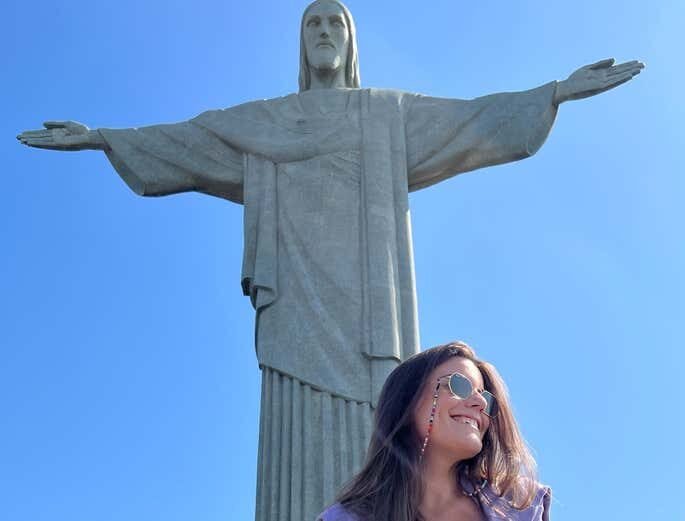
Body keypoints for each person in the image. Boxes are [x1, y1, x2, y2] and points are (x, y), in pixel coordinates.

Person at [17, 1, 640, 518]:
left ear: (350, 41)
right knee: (297, 437)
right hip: (293, 311)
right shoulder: (267, 122)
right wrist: (104, 138)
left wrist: (553, 94)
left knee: (394, 418)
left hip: (374, 314)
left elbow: (469, 121)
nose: (322, 34)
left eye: (333, 23)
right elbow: (190, 139)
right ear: (301, 45)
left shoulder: (385, 115)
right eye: (311, 24)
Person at [318, 341, 550, 521]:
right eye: (459, 385)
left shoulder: (520, 504)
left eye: (485, 397)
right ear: (407, 403)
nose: (480, 403)